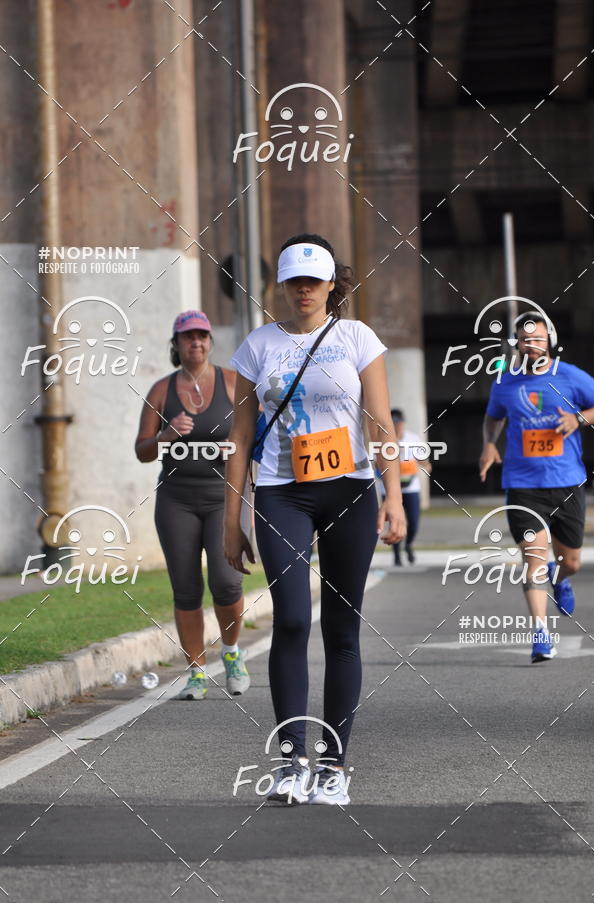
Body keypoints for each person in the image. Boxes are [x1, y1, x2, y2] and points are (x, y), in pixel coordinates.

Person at [224, 233, 405, 804]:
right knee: (294, 620)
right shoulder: (256, 346)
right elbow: (240, 437)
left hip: (350, 490)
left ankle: (332, 766)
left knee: (342, 630)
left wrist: (394, 495)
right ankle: (290, 761)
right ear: (281, 285)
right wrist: (234, 520)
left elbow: (379, 424)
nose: (304, 290)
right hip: (283, 493)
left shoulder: (356, 337)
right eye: (294, 281)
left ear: (332, 285)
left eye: (314, 280)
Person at [135, 311, 250, 699]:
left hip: (223, 497)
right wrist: (166, 435)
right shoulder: (160, 391)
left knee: (226, 580)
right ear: (176, 344)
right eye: (188, 338)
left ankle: (232, 653)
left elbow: (257, 435)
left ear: (210, 342)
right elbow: (142, 451)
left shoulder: (232, 383)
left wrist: (233, 448)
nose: (195, 343)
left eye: (202, 336)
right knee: (186, 588)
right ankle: (197, 671)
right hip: (176, 499)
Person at [479, 310, 594, 663]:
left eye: (538, 339)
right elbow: (493, 417)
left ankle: (560, 578)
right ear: (516, 343)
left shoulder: (569, 376)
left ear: (549, 342)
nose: (531, 345)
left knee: (572, 561)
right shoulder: (505, 382)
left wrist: (579, 418)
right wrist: (489, 444)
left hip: (567, 483)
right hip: (522, 485)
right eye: (525, 339)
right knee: (532, 559)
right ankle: (541, 635)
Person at [390, 409, 431, 566]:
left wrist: (425, 465)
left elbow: (424, 462)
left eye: (399, 423)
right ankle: (396, 555)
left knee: (413, 521)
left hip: (411, 488)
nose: (397, 426)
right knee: (395, 523)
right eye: (393, 423)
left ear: (403, 423)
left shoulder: (413, 439)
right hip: (391, 490)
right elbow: (374, 462)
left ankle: (408, 544)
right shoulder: (383, 439)